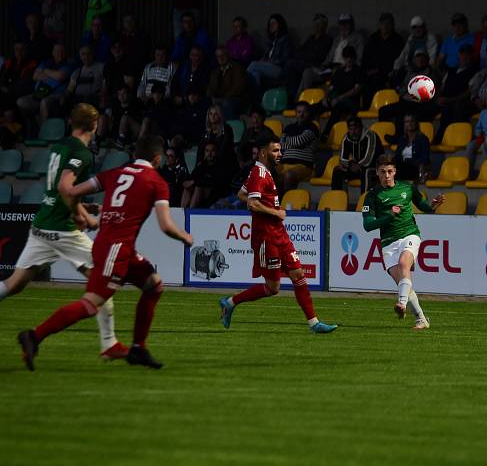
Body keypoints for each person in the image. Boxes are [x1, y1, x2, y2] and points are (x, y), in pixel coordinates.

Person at [18, 134, 193, 371]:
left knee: (154, 285)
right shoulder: (156, 181)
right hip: (115, 251)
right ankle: (34, 335)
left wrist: (83, 209)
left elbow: (71, 191)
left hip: (116, 247)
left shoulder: (114, 173)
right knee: (91, 305)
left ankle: (139, 348)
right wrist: (185, 237)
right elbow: (165, 225)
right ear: (158, 158)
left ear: (134, 155)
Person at [3, 104, 123, 362]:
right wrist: (84, 216)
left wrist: (80, 206)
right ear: (94, 124)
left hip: (42, 225)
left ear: (71, 122)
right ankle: (109, 344)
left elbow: (60, 190)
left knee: (14, 284)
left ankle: (109, 344)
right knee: (103, 279)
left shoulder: (59, 146)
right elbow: (65, 186)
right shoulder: (83, 152)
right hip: (62, 229)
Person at [218, 135, 338, 334]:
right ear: (264, 152)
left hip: (279, 234)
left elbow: (242, 193)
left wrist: (272, 213)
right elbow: (252, 203)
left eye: (280, 150)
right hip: (266, 237)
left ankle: (314, 323)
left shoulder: (263, 172)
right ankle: (230, 302)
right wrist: (277, 213)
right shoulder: (259, 174)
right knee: (272, 288)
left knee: (299, 275)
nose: (279, 154)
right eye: (275, 151)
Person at [361, 157, 444, 330]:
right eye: (383, 172)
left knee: (404, 263)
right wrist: (388, 216)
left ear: (395, 171)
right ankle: (421, 319)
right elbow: (368, 226)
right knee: (404, 283)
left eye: (390, 171)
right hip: (388, 243)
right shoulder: (372, 195)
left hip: (409, 234)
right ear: (377, 173)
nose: (387, 175)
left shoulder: (407, 188)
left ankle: (402, 304)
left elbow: (424, 206)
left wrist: (433, 206)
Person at [320, 45, 364, 138]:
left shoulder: (358, 71)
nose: (349, 60)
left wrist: (340, 98)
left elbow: (356, 90)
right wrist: (325, 98)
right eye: (346, 57)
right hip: (337, 99)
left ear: (354, 58)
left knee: (338, 108)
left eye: (351, 57)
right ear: (344, 58)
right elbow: (331, 88)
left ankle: (326, 133)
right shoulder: (339, 72)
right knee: (317, 106)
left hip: (351, 102)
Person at [361, 12, 404, 107]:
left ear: (393, 25)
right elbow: (365, 59)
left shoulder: (398, 41)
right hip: (372, 73)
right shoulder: (373, 39)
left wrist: (386, 71)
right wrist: (367, 71)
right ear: (379, 25)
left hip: (389, 73)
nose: (385, 26)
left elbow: (399, 61)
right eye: (383, 23)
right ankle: (367, 108)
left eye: (388, 23)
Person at [332, 116, 384, 194]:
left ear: (361, 127)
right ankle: (337, 200)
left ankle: (365, 202)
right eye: (350, 129)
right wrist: (350, 165)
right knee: (338, 170)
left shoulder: (370, 136)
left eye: (355, 128)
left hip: (376, 167)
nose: (353, 132)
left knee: (367, 171)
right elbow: (342, 159)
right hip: (357, 167)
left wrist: (357, 165)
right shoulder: (347, 138)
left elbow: (368, 160)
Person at [278, 101, 319, 192]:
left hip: (303, 166)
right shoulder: (289, 127)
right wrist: (290, 142)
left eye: (304, 112)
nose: (301, 115)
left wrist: (287, 140)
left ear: (309, 113)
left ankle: (285, 202)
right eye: (299, 112)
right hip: (284, 164)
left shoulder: (312, 127)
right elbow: (281, 145)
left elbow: (299, 141)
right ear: (295, 113)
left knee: (289, 175)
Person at [246, 13, 292, 92]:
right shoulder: (270, 41)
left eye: (274, 23)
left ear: (280, 24)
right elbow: (266, 56)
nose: (271, 25)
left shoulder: (286, 39)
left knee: (253, 64)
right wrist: (263, 60)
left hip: (278, 69)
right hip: (268, 67)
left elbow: (285, 59)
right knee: (255, 74)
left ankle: (240, 83)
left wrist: (269, 61)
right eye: (270, 23)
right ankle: (257, 99)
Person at [393, 114, 430, 181]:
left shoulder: (423, 139)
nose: (410, 123)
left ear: (416, 123)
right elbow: (397, 157)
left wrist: (408, 162)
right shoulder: (402, 140)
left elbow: (425, 158)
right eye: (407, 121)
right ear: (404, 125)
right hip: (402, 168)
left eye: (412, 121)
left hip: (415, 169)